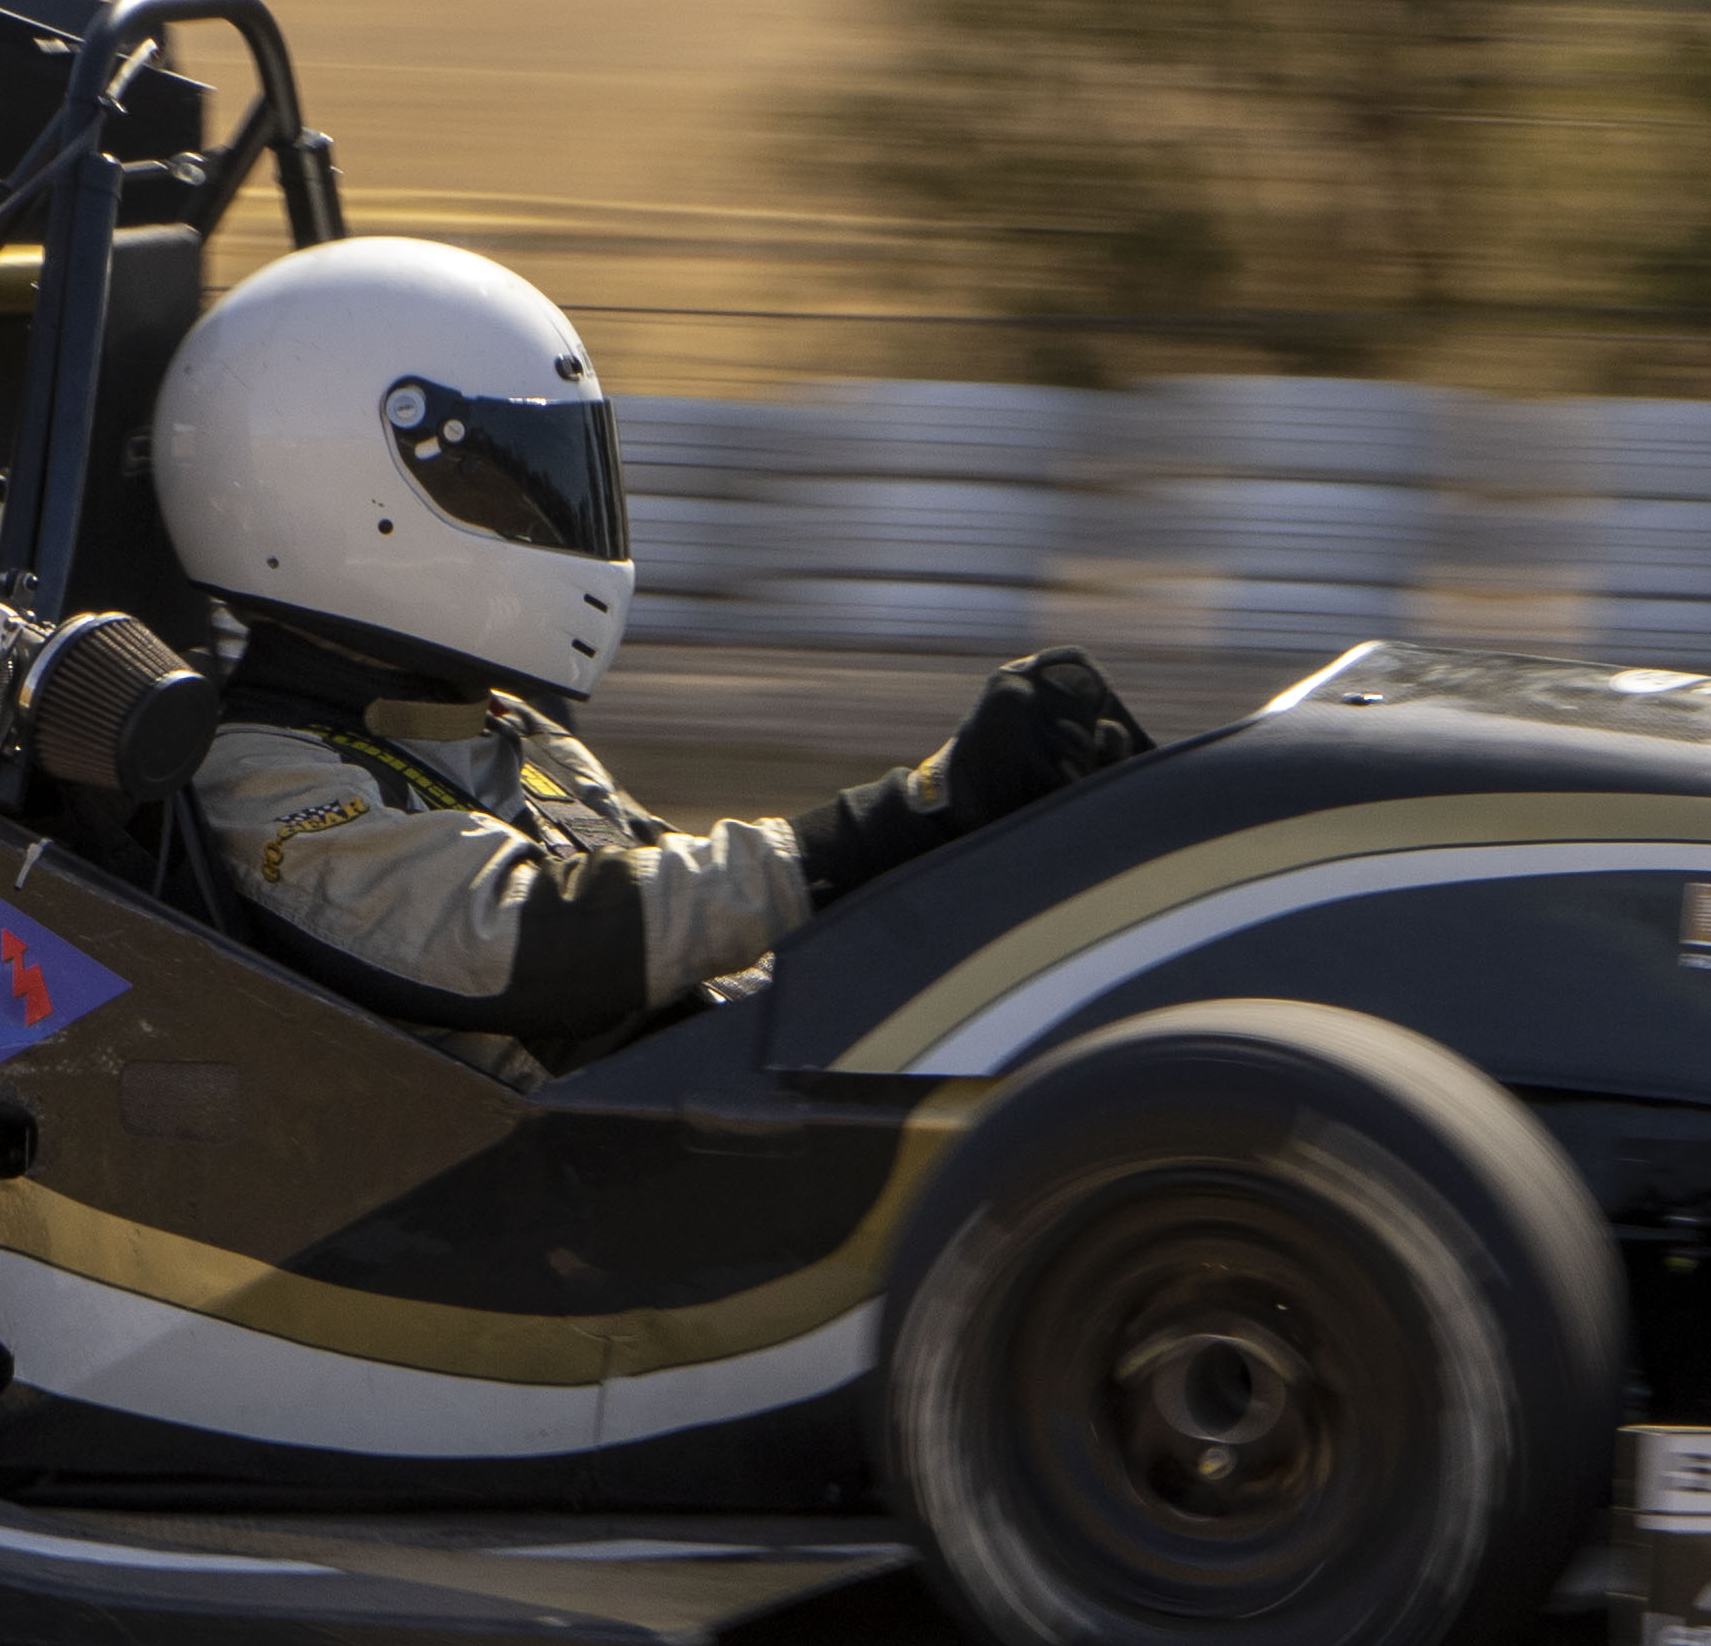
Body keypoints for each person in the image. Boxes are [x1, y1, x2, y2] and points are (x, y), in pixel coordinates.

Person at [150, 236, 1148, 1069]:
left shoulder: (503, 730)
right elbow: (542, 942)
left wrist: (975, 850)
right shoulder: (258, 781)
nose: (546, 514)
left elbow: (701, 940)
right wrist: (913, 809)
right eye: (502, 482)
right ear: (338, 496)